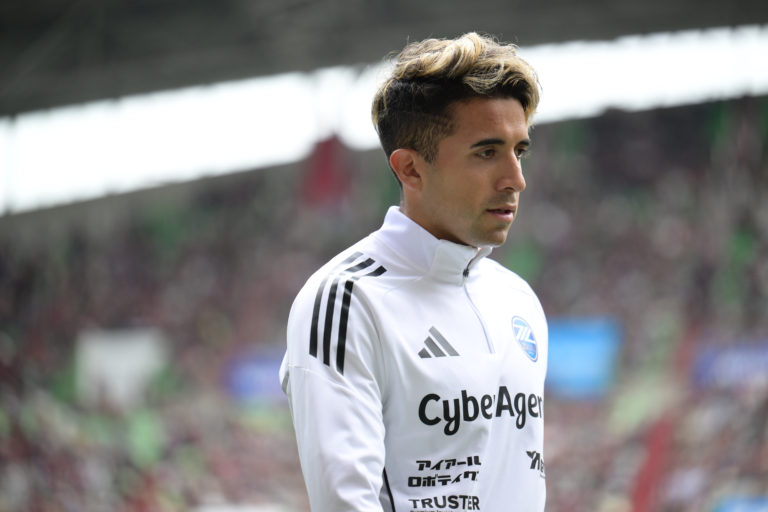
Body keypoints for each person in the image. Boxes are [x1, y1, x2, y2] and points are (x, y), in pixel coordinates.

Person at [280, 32, 547, 512]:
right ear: (410, 169)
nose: (516, 179)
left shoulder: (519, 299)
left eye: (519, 151)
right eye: (487, 152)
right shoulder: (347, 301)